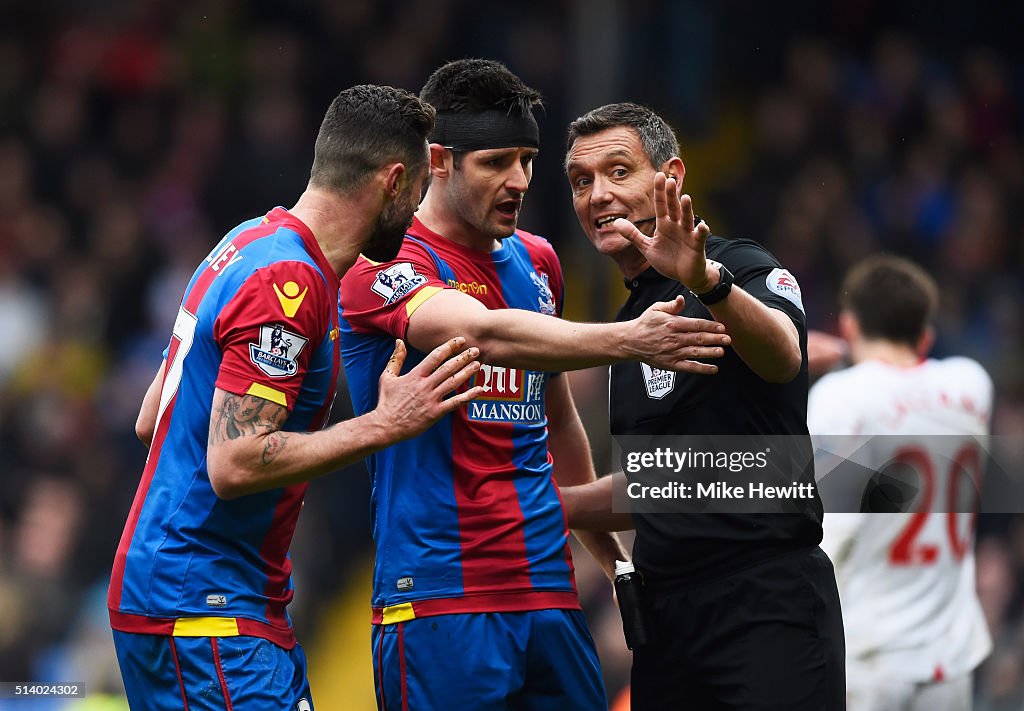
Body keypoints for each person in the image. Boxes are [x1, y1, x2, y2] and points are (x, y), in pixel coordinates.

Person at [338, 61, 731, 710]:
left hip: (548, 591)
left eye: (526, 159)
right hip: (441, 599)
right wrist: (629, 338)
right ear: (438, 160)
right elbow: (486, 334)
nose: (519, 180)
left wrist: (611, 559)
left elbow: (556, 423)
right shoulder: (387, 259)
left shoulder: (539, 261)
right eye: (496, 162)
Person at [108, 84, 486, 711]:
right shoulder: (289, 283)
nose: (420, 214)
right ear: (393, 181)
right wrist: (384, 424)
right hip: (204, 608)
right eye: (419, 192)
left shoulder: (246, 242)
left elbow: (154, 419)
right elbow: (232, 463)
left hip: (197, 598)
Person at [564, 102, 845, 709]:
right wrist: (545, 505)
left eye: (618, 172)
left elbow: (783, 357)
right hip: (669, 626)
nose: (598, 195)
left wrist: (708, 281)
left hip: (766, 606)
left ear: (672, 176)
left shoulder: (739, 266)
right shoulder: (627, 328)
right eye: (582, 182)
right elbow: (660, 484)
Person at [808, 255, 992, 711]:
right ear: (925, 335)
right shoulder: (972, 385)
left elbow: (826, 533)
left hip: (869, 650)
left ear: (849, 326)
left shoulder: (841, 395)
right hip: (952, 655)